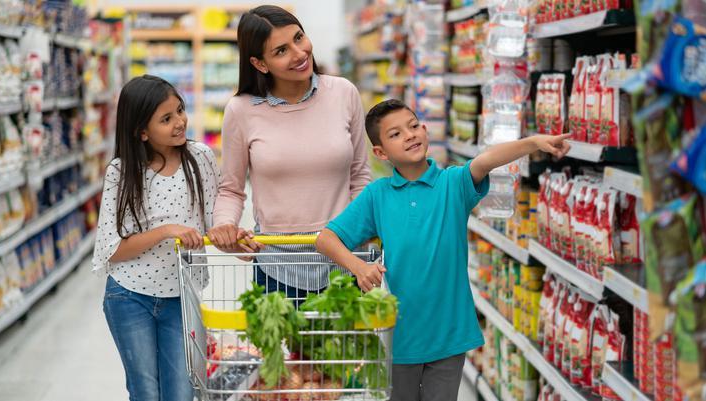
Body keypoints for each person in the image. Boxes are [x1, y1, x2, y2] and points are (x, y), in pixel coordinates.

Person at [315, 99, 571, 401]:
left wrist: (532, 142)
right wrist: (358, 267)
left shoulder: (452, 183)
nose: (409, 135)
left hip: (448, 333)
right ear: (381, 153)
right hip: (398, 336)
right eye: (395, 134)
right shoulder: (377, 195)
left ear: (425, 129)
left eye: (413, 126)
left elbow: (486, 160)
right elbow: (326, 239)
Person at [208, 5, 372, 300]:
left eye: (299, 38)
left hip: (346, 262)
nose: (299, 53)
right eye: (281, 50)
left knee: (347, 347)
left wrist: (363, 232)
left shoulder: (344, 93)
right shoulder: (241, 110)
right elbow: (231, 189)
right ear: (260, 64)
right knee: (292, 348)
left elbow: (360, 177)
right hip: (278, 267)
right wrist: (224, 226)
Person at [91, 75, 231, 401]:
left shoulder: (201, 158)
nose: (180, 122)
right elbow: (113, 250)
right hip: (130, 296)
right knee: (145, 392)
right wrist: (168, 231)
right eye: (166, 119)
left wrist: (237, 240)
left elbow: (213, 224)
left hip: (182, 297)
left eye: (180, 111)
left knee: (183, 392)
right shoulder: (122, 171)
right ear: (142, 131)